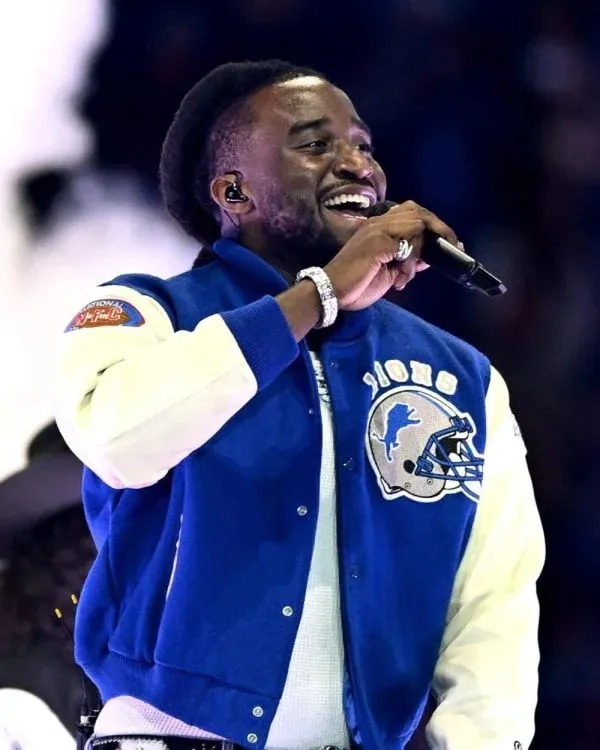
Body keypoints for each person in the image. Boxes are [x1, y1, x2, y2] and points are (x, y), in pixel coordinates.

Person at [54, 60, 545, 750]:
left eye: (364, 146)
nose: (356, 165)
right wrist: (319, 295)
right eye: (315, 144)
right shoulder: (147, 314)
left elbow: (494, 599)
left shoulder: (461, 376)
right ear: (234, 192)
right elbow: (118, 440)